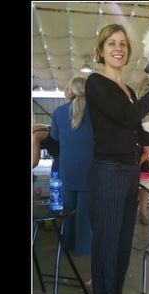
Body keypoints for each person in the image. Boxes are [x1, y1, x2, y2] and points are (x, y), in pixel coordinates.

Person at [85, 23, 149, 294]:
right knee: (108, 245)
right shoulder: (96, 83)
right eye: (111, 43)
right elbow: (126, 117)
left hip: (128, 173)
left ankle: (115, 293)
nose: (118, 48)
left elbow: (136, 133)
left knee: (123, 245)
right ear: (101, 51)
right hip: (108, 173)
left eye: (122, 43)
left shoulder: (129, 90)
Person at [50, 76, 94, 257]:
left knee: (67, 210)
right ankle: (84, 249)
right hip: (90, 169)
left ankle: (66, 245)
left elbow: (54, 137)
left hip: (68, 169)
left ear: (69, 91)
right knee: (84, 215)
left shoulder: (59, 112)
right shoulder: (95, 111)